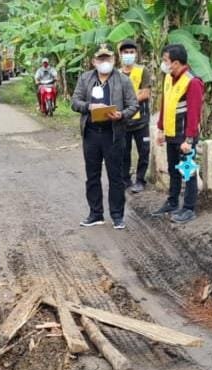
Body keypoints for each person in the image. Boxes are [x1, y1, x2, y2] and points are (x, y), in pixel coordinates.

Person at [71, 43, 139, 230]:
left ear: (113, 59)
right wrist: (89, 107)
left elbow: (133, 105)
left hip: (113, 134)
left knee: (115, 176)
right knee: (92, 175)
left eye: (107, 58)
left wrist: (122, 115)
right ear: (94, 61)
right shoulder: (85, 79)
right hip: (91, 133)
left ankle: (117, 215)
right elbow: (75, 102)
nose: (104, 62)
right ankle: (95, 213)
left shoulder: (123, 80)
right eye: (100, 59)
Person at [151, 44, 204, 224]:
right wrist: (160, 129)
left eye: (165, 60)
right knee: (174, 170)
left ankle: (189, 208)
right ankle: (172, 201)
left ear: (175, 62)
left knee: (187, 173)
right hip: (172, 134)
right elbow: (165, 104)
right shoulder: (168, 78)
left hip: (185, 138)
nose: (163, 64)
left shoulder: (192, 82)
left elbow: (194, 113)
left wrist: (189, 139)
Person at [119, 39, 151, 193]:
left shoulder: (142, 71)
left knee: (143, 151)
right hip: (123, 121)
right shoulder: (116, 74)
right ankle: (125, 179)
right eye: (126, 52)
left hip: (141, 120)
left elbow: (145, 93)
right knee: (124, 152)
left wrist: (126, 98)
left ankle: (140, 180)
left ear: (136, 54)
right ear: (120, 54)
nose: (129, 55)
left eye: (131, 52)